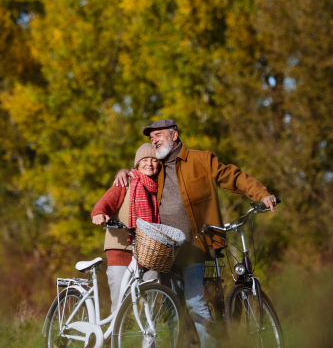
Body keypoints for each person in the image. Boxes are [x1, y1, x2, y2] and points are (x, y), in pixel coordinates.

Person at [114, 119, 278, 348]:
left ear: (174, 135)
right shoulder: (156, 169)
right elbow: (137, 173)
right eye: (152, 139)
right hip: (165, 252)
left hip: (195, 247)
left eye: (158, 135)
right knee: (172, 308)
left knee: (195, 303)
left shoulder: (201, 160)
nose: (154, 141)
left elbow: (233, 176)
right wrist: (124, 172)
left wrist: (261, 193)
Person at [91, 143, 161, 314]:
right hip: (120, 248)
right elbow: (106, 202)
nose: (149, 164)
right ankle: (115, 339)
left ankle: (148, 338)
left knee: (151, 298)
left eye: (154, 160)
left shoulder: (161, 187)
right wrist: (99, 213)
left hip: (149, 249)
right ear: (137, 164)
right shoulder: (125, 182)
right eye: (145, 160)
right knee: (120, 302)